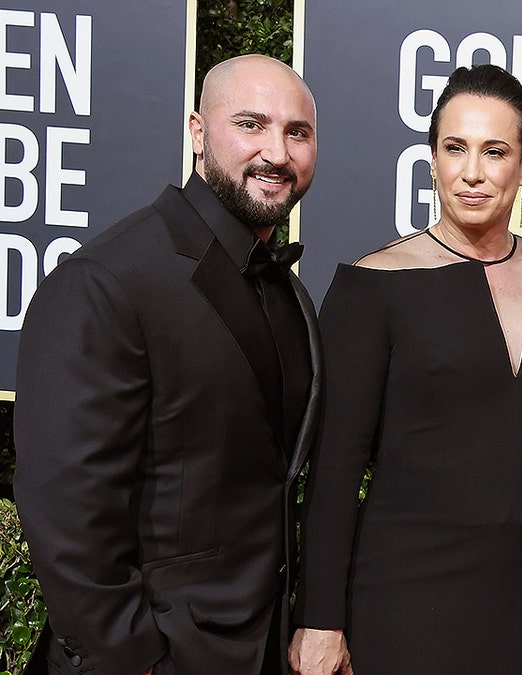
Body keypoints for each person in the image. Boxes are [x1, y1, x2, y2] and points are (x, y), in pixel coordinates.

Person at [14, 54, 321, 675]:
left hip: (260, 649)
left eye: (297, 132)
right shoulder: (106, 280)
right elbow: (66, 510)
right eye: (251, 124)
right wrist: (135, 659)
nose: (278, 153)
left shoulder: (290, 294)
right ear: (197, 131)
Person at [287, 64, 522, 675]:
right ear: (432, 158)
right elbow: (336, 466)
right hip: (404, 592)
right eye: (455, 149)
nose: (472, 173)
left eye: (495, 152)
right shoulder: (373, 284)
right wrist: (319, 618)